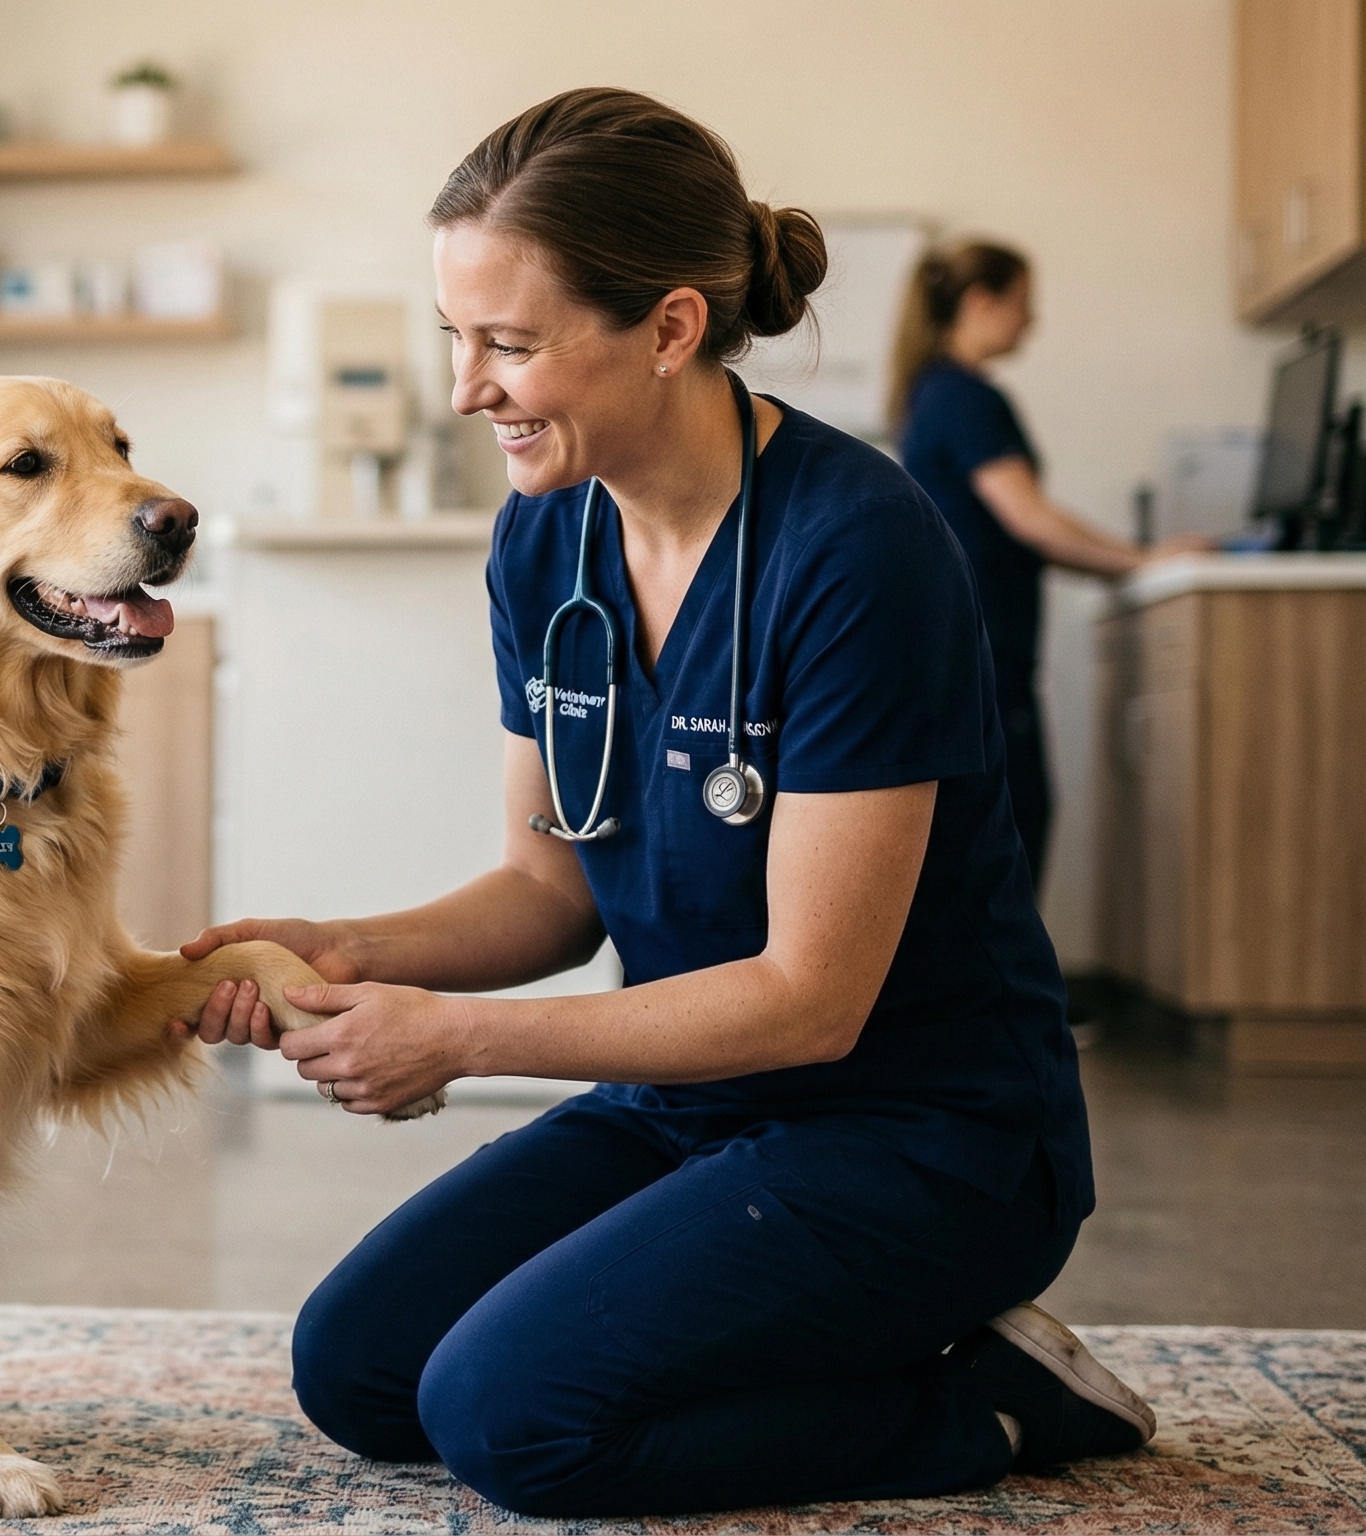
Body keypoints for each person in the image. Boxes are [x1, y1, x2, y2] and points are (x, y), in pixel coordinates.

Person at [172, 89, 1153, 1519]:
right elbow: (548, 892)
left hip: (918, 1134)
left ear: (672, 328)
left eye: (510, 344)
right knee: (362, 1369)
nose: (466, 390)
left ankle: (986, 1401)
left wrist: (460, 1038)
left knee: (512, 1420)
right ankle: (791, 1331)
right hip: (690, 1104)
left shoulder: (858, 547)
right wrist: (345, 949)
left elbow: (811, 1002)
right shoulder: (544, 538)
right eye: (455, 336)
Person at [892, 242, 1208, 885]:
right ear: (980, 303)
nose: (1031, 323)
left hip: (968, 650)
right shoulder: (965, 397)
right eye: (1022, 305)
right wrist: (1144, 560)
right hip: (987, 656)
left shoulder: (932, 392)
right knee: (1014, 830)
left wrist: (1133, 565)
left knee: (997, 838)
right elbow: (1030, 519)